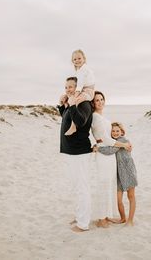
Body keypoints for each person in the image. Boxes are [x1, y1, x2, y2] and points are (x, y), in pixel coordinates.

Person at [91, 91, 132, 228]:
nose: (100, 102)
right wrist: (124, 145)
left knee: (109, 185)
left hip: (110, 156)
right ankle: (101, 218)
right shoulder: (95, 117)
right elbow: (107, 139)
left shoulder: (103, 118)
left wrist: (124, 142)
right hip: (103, 155)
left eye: (102, 99)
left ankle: (106, 215)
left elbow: (112, 136)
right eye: (97, 100)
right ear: (93, 103)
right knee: (103, 184)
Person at [58, 76, 93, 232]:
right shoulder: (72, 102)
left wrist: (71, 105)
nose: (68, 90)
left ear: (78, 88)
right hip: (71, 151)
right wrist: (62, 106)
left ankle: (83, 224)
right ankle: (80, 216)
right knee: (76, 186)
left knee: (82, 187)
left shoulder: (84, 103)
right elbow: (67, 119)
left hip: (79, 151)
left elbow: (79, 122)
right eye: (66, 87)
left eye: (71, 87)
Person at [97, 122, 138, 226]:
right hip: (118, 173)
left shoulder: (123, 141)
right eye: (113, 131)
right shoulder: (112, 141)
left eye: (117, 131)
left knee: (131, 196)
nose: (115, 133)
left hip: (128, 171)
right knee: (118, 199)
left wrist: (97, 148)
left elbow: (111, 150)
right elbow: (109, 146)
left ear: (122, 132)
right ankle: (123, 218)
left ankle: (130, 220)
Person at [64, 49, 95, 136]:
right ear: (72, 61)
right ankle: (67, 109)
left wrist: (75, 96)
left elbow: (80, 84)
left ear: (84, 59)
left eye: (79, 58)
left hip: (88, 91)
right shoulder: (78, 70)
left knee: (75, 101)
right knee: (70, 99)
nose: (77, 61)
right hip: (82, 90)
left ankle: (73, 126)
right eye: (75, 59)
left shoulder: (84, 69)